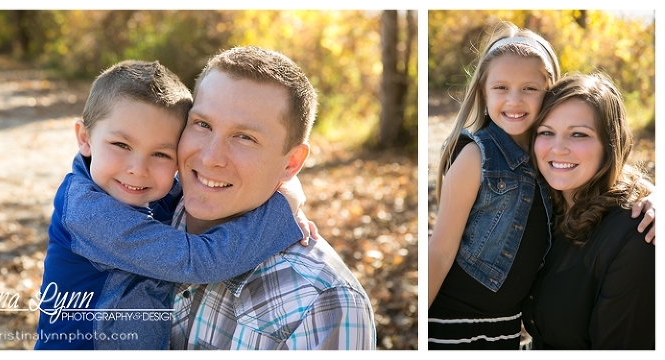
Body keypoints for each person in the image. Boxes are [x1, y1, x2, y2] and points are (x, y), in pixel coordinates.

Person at [67, 46, 377, 350]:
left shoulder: (324, 304)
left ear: (291, 164)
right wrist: (284, 206)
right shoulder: (142, 205)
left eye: (245, 137)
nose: (211, 157)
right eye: (202, 124)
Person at [35, 60, 312, 350]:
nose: (138, 169)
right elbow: (201, 261)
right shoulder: (88, 213)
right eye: (121, 145)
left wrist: (277, 187)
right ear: (85, 138)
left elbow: (215, 192)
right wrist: (281, 208)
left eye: (161, 155)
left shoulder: (139, 190)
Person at [427, 21, 654, 350]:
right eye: (501, 88)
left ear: (548, 94)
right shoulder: (483, 156)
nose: (515, 100)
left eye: (530, 89)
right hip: (457, 325)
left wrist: (653, 194)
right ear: (483, 92)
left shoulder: (545, 161)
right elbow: (440, 251)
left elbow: (613, 173)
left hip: (503, 331)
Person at [522, 72, 654, 349]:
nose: (558, 148)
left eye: (579, 134)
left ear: (610, 145)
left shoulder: (636, 237)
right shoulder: (538, 206)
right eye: (546, 132)